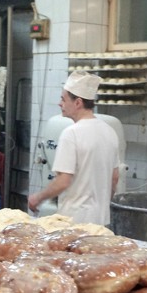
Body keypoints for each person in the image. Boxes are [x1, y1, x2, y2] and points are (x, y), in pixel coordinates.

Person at [28, 71, 119, 225]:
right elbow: (115, 177)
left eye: (63, 99)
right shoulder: (110, 131)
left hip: (75, 221)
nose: (60, 104)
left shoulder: (71, 133)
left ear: (77, 102)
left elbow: (63, 181)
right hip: (101, 221)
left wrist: (38, 198)